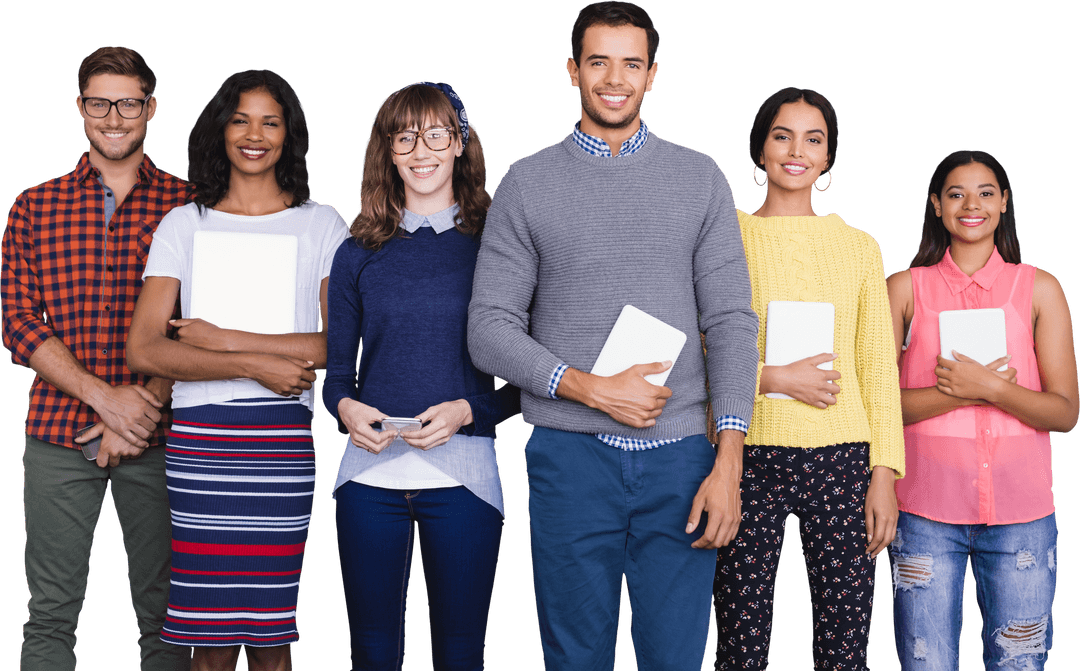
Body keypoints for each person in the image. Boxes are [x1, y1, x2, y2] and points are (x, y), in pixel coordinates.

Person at [467, 3, 759, 668]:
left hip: (684, 460)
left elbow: (731, 322)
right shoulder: (527, 182)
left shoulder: (700, 177)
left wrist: (729, 462)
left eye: (632, 63)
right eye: (598, 61)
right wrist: (590, 388)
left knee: (676, 656)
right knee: (575, 657)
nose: (614, 77)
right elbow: (488, 328)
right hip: (571, 459)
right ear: (573, 70)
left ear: (652, 75)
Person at [126, 69, 348, 671]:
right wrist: (257, 364)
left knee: (272, 637)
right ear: (220, 130)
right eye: (240, 119)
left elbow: (337, 344)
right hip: (200, 447)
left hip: (279, 446)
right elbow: (144, 349)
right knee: (211, 639)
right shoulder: (184, 224)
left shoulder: (321, 224)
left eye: (270, 121)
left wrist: (225, 340)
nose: (255, 134)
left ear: (289, 135)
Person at [0, 46, 191, 671]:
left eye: (129, 102)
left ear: (151, 108)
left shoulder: (190, 207)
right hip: (55, 438)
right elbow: (18, 323)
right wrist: (105, 398)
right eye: (100, 102)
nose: (115, 116)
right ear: (80, 109)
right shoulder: (32, 206)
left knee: (166, 616)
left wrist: (142, 407)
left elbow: (199, 326)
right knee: (50, 613)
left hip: (161, 437)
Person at [322, 80, 519, 671]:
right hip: (368, 478)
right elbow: (336, 378)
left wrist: (467, 411)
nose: (420, 149)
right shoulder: (357, 249)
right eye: (404, 136)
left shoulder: (497, 244)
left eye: (437, 133)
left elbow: (525, 380)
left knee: (460, 656)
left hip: (464, 478)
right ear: (386, 148)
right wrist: (346, 411)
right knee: (373, 653)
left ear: (462, 143)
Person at [710, 87, 905, 671]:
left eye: (813, 139)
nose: (797, 150)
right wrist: (771, 376)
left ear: (828, 160)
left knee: (845, 648)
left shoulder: (859, 248)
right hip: (746, 454)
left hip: (844, 459)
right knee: (741, 646)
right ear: (760, 152)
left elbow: (877, 370)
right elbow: (700, 349)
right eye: (782, 135)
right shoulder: (724, 237)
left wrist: (885, 475)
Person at [886, 150, 1078, 671]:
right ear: (936, 205)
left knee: (1020, 663)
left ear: (1004, 202)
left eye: (986, 192)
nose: (972, 204)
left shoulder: (1039, 288)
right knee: (926, 664)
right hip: (924, 510)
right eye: (956, 193)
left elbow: (1064, 412)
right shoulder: (906, 289)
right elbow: (877, 407)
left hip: (1023, 514)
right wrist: (959, 392)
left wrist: (992, 388)